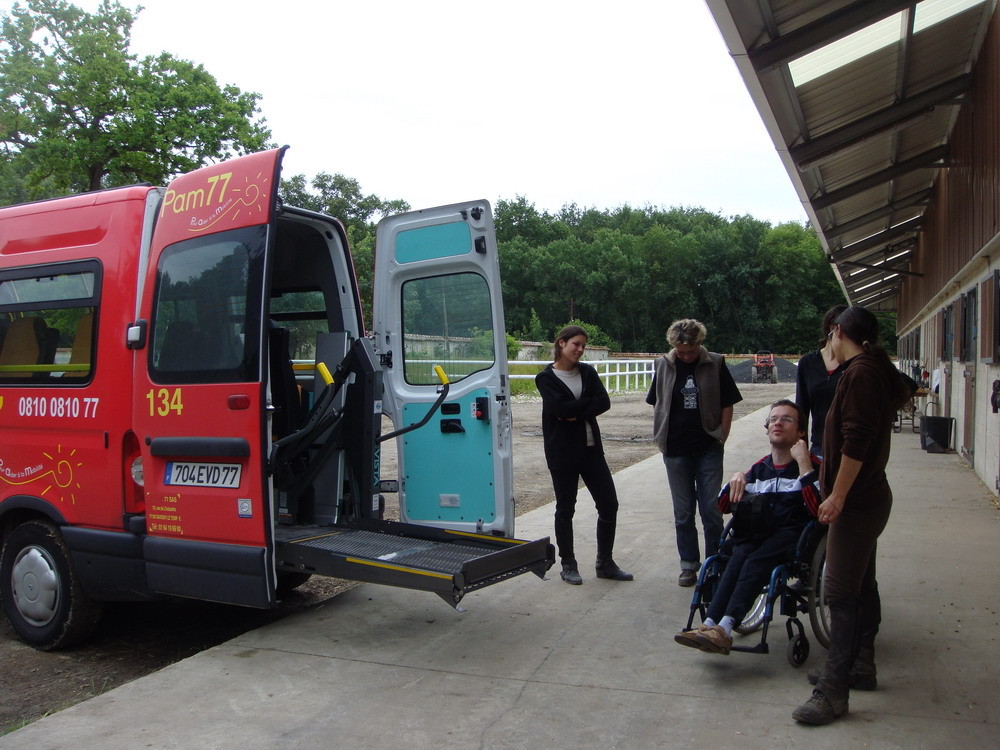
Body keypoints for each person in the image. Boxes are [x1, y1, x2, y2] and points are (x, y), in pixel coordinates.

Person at [792, 306, 915, 726]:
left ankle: (833, 691)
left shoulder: (860, 373)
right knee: (861, 585)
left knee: (841, 594)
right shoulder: (875, 368)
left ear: (837, 331)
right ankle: (859, 667)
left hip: (858, 503)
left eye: (829, 336)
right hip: (870, 498)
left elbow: (857, 441)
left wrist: (838, 496)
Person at [674, 399, 821, 654]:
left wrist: (804, 463)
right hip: (760, 534)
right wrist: (735, 478)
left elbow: (819, 509)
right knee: (738, 552)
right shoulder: (759, 469)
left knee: (755, 558)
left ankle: (726, 627)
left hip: (793, 537)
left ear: (801, 432)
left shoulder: (812, 465)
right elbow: (723, 505)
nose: (778, 423)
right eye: (773, 419)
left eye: (786, 419)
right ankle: (709, 623)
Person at [647, 319, 743, 587]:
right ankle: (688, 565)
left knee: (711, 509)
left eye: (689, 351)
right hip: (675, 449)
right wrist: (661, 434)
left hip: (708, 448)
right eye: (680, 350)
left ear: (699, 344)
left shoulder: (715, 363)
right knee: (683, 512)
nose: (685, 355)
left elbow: (728, 402)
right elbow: (656, 402)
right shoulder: (663, 365)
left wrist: (722, 435)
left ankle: (715, 563)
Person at [535, 325, 633, 585]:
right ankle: (568, 564)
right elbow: (558, 407)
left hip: (591, 450)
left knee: (609, 504)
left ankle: (605, 563)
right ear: (561, 343)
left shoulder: (588, 372)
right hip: (562, 453)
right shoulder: (545, 378)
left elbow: (604, 402)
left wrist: (573, 413)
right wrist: (582, 406)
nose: (580, 350)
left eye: (582, 346)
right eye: (575, 344)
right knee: (565, 509)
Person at [796, 304, 847, 456]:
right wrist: (801, 448)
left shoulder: (855, 363)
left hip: (850, 446)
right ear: (833, 327)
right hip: (819, 446)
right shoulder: (808, 363)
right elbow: (801, 409)